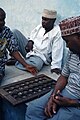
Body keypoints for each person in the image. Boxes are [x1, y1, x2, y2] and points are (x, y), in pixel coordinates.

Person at [25, 16, 80, 120]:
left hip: (76, 102)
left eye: (67, 41)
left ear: (79, 37)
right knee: (33, 110)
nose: (67, 46)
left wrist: (72, 103)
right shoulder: (73, 53)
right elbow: (64, 76)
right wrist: (53, 96)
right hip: (65, 93)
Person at [7, 9, 64, 75]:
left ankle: (18, 61)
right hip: (30, 50)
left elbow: (57, 50)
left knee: (36, 66)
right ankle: (21, 60)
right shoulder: (40, 27)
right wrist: (30, 41)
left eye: (46, 20)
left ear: (53, 21)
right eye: (43, 19)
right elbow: (32, 35)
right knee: (14, 32)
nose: (43, 21)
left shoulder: (57, 32)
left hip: (39, 57)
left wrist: (56, 67)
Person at [0, 7, 38, 81]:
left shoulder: (6, 32)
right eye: (0, 20)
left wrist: (26, 65)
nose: (3, 22)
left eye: (3, 19)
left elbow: (13, 50)